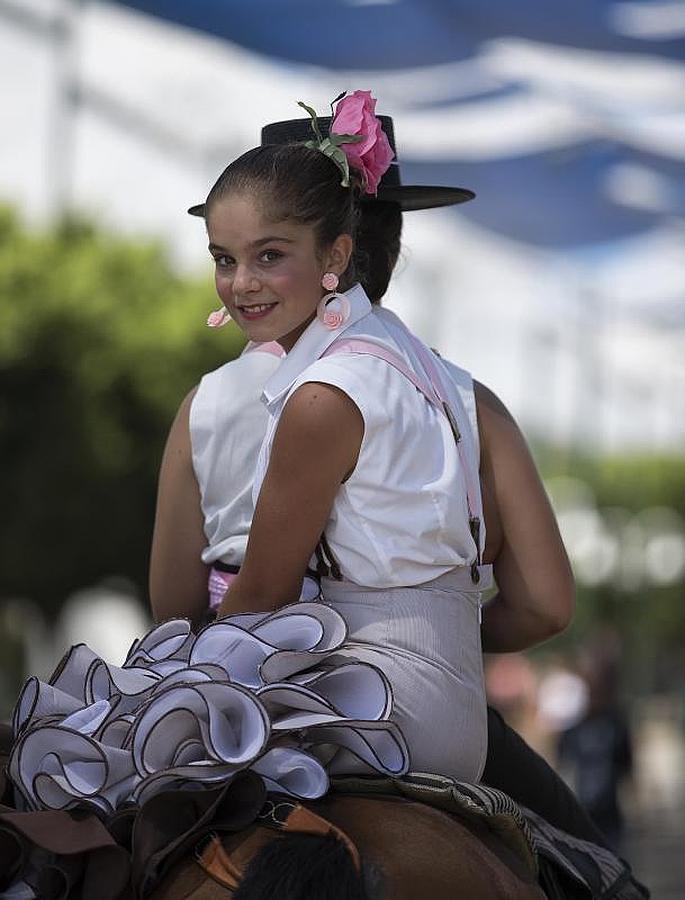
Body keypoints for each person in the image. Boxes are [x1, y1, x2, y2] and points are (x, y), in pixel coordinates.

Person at [150, 91, 606, 840]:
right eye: (229, 258)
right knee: (590, 861)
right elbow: (548, 604)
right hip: (444, 710)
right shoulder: (460, 394)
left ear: (336, 249)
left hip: (351, 707)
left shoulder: (238, 401)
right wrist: (442, 634)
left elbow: (182, 602)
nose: (244, 280)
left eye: (270, 253)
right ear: (388, 244)